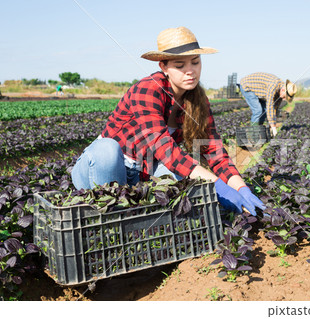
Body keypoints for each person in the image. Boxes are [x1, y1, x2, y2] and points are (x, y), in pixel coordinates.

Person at [70, 26, 265, 216]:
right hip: (101, 169)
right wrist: (220, 188)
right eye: (180, 65)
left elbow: (214, 150)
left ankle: (130, 211)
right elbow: (165, 149)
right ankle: (107, 216)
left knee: (181, 182)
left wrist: (241, 189)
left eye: (195, 62)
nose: (190, 71)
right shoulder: (148, 89)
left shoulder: (198, 101)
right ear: (163, 67)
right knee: (107, 150)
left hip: (142, 172)